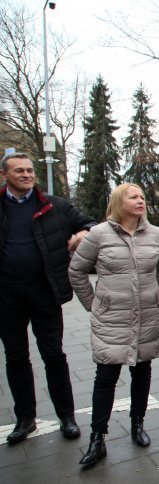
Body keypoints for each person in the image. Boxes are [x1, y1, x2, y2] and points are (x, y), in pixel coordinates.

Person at [69, 184, 159, 467]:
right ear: (118, 201)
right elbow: (76, 270)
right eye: (133, 196)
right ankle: (97, 439)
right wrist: (94, 304)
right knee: (106, 376)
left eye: (142, 196)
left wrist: (147, 293)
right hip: (112, 319)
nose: (140, 200)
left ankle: (137, 424)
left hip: (148, 316)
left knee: (142, 370)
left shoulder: (155, 234)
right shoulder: (99, 235)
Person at [0, 152, 95, 444]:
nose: (27, 175)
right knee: (16, 357)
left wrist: (81, 235)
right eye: (19, 171)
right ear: (5, 175)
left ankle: (66, 416)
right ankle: (25, 418)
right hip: (6, 295)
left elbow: (93, 224)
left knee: (53, 354)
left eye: (30, 170)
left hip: (45, 292)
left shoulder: (55, 206)